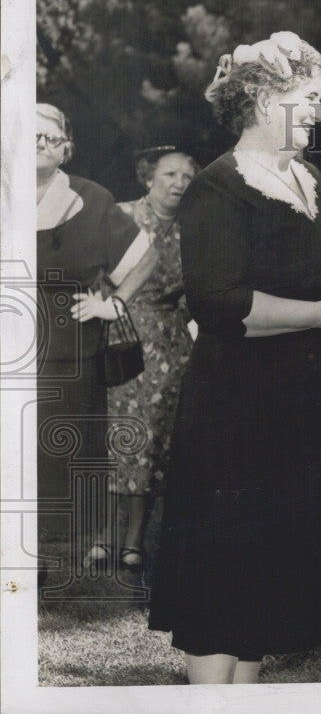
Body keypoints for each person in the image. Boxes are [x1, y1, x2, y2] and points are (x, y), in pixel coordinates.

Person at [147, 32, 321, 684]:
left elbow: (316, 272)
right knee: (220, 591)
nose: (319, 111)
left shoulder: (306, 179)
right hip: (237, 418)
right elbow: (220, 302)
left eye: (319, 98)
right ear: (262, 100)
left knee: (262, 592)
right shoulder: (217, 189)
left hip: (296, 416)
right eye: (308, 98)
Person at [35, 103, 156, 567]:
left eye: (52, 136)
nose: (42, 143)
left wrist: (115, 302)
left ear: (67, 149)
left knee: (61, 458)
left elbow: (144, 259)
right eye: (33, 135)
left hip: (71, 355)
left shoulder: (93, 199)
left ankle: (50, 559)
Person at [83, 147, 199, 574]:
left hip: (169, 346)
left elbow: (195, 292)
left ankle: (134, 541)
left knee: (153, 443)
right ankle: (101, 536)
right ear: (148, 178)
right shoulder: (121, 215)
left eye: (187, 176)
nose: (178, 183)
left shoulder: (195, 228)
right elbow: (93, 271)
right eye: (170, 174)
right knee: (113, 437)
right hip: (117, 335)